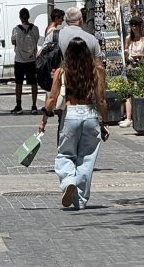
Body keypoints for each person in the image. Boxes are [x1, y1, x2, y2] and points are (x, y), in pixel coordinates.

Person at [39, 37, 109, 211]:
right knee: (87, 159)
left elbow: (52, 98)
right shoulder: (96, 71)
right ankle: (80, 200)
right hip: (90, 114)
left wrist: (44, 119)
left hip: (70, 114)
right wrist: (105, 121)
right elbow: (101, 100)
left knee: (65, 154)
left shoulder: (62, 72)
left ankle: (69, 180)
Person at [119, 17, 144, 128]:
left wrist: (141, 56)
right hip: (130, 67)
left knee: (140, 91)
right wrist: (127, 53)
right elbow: (125, 51)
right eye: (132, 25)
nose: (134, 27)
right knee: (128, 92)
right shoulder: (128, 38)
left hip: (141, 67)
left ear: (140, 26)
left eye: (136, 25)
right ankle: (128, 118)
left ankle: (140, 116)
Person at [11, 8, 40, 115]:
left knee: (19, 83)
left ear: (20, 17)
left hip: (19, 60)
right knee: (33, 83)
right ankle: (34, 106)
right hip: (32, 59)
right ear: (28, 16)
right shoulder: (35, 29)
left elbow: (13, 42)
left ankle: (19, 106)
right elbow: (36, 40)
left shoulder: (16, 29)